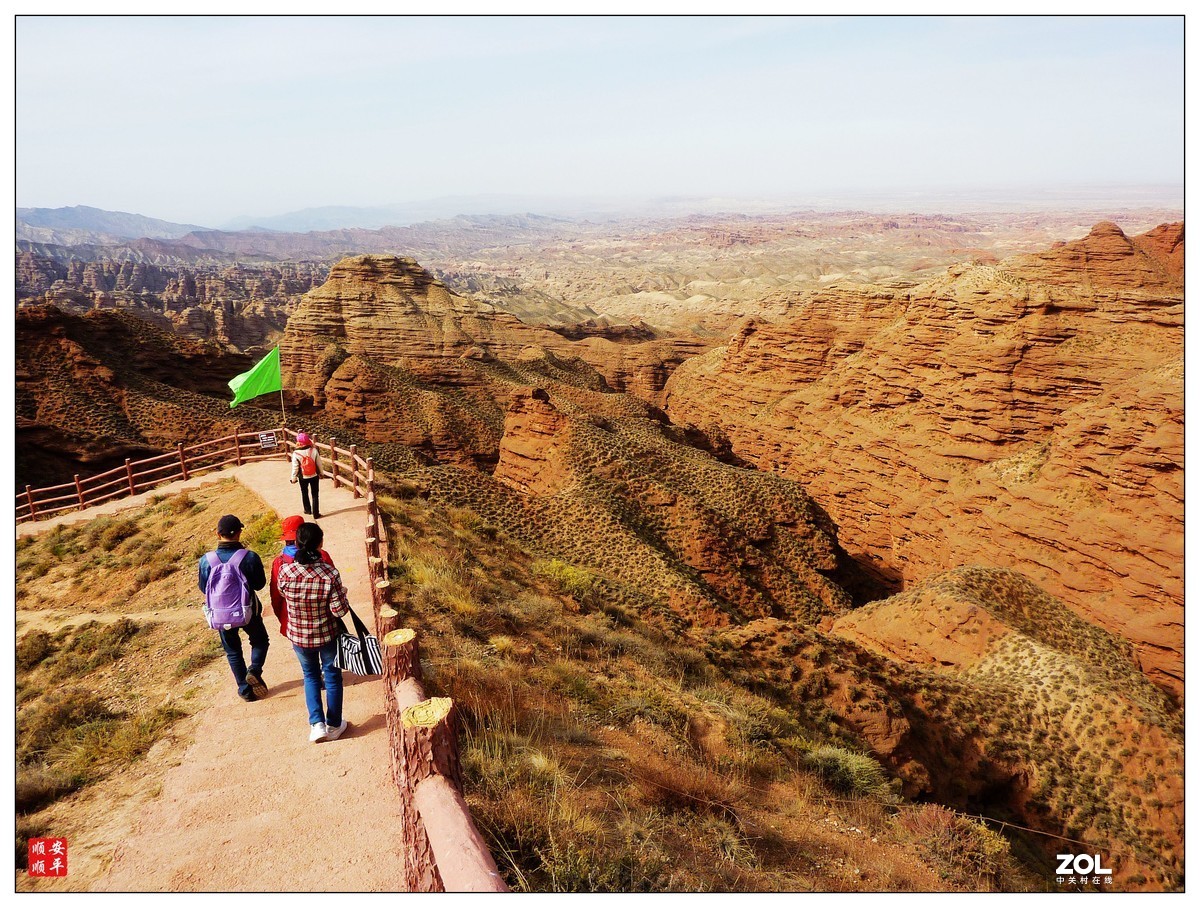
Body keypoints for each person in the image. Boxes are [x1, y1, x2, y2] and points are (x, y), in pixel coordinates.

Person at [278, 522, 351, 743]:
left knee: (310, 676)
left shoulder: (286, 571)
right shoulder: (329, 574)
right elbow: (339, 610)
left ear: (297, 542)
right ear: (320, 543)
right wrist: (342, 594)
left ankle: (316, 725)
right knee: (332, 677)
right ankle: (335, 725)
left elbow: (283, 593)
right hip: (326, 634)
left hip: (299, 635)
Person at [198, 514, 270, 702]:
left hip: (221, 615)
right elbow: (259, 584)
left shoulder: (206, 560)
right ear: (239, 533)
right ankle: (254, 669)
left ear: (217, 533)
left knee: (233, 651)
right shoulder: (250, 557)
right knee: (260, 641)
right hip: (248, 611)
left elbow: (202, 587)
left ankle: (245, 690)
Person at [269, 514, 335, 637]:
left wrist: (284, 619)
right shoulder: (322, 556)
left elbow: (276, 597)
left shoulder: (279, 563)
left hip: (295, 626)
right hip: (325, 623)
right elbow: (334, 588)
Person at [290, 431, 323, 519]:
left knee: (304, 493)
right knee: (315, 494)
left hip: (303, 477)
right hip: (314, 475)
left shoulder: (296, 453)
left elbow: (295, 467)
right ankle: (316, 513)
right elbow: (319, 463)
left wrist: (293, 478)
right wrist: (321, 473)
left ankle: (307, 510)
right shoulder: (314, 450)